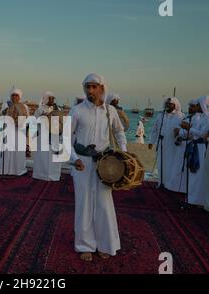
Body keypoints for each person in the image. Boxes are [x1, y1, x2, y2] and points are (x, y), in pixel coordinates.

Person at [69, 73, 127, 262]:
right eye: (87, 87)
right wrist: (74, 158)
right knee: (84, 203)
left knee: (103, 203)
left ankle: (104, 244)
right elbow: (66, 139)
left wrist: (123, 153)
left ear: (102, 88)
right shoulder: (76, 111)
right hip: (82, 164)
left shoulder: (110, 111)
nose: (90, 90)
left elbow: (119, 132)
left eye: (94, 87)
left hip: (105, 165)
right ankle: (84, 245)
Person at [181, 95, 209, 206]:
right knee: (194, 174)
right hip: (196, 146)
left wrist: (189, 128)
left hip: (202, 149)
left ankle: (199, 200)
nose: (196, 107)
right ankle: (192, 198)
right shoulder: (202, 117)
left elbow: (203, 134)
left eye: (198, 105)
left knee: (199, 174)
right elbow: (196, 131)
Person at [148, 97, 185, 191]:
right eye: (167, 104)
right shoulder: (161, 115)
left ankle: (170, 184)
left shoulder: (181, 116)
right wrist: (151, 142)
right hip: (162, 143)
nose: (168, 105)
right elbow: (155, 129)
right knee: (161, 163)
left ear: (175, 105)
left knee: (171, 164)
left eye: (170, 104)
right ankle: (161, 182)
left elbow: (184, 131)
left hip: (173, 145)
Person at [0, 88, 30, 176]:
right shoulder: (6, 104)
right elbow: (0, 116)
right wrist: (7, 109)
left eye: (16, 95)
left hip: (19, 132)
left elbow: (27, 119)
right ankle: (5, 170)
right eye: (13, 95)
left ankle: (17, 170)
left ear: (20, 97)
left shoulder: (24, 106)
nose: (14, 97)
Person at [170, 99, 200, 194]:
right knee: (178, 165)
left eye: (192, 106)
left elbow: (193, 132)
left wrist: (179, 131)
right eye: (189, 106)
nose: (190, 108)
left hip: (188, 144)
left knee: (186, 167)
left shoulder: (197, 118)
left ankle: (184, 189)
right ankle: (176, 187)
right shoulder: (188, 117)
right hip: (181, 144)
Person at [32, 91, 62, 181]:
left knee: (54, 156)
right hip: (43, 136)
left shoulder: (58, 109)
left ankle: (54, 175)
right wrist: (42, 117)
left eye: (53, 98)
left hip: (54, 136)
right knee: (43, 156)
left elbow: (61, 121)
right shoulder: (40, 110)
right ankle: (41, 174)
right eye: (50, 98)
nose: (52, 100)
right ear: (45, 98)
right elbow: (34, 122)